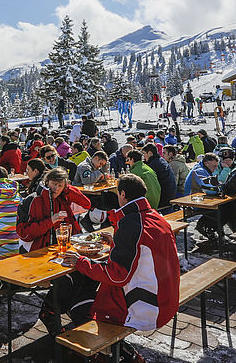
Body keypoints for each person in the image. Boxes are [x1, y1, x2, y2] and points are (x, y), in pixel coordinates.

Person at [58, 173, 180, 341]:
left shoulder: (131, 223)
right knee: (92, 288)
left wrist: (80, 262)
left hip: (147, 308)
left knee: (78, 303)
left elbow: (117, 276)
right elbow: (142, 250)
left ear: (122, 194)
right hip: (167, 298)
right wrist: (115, 242)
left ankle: (113, 353)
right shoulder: (155, 217)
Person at [16, 166, 91, 253]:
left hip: (61, 249)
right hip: (36, 251)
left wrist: (68, 189)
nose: (56, 188)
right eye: (54, 184)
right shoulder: (32, 200)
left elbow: (86, 204)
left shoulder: (64, 198)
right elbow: (23, 234)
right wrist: (50, 221)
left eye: (60, 185)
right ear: (47, 182)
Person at [142, 143, 176, 210]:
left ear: (150, 153)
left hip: (163, 199)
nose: (143, 157)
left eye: (144, 154)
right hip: (170, 196)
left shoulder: (153, 166)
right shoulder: (160, 160)